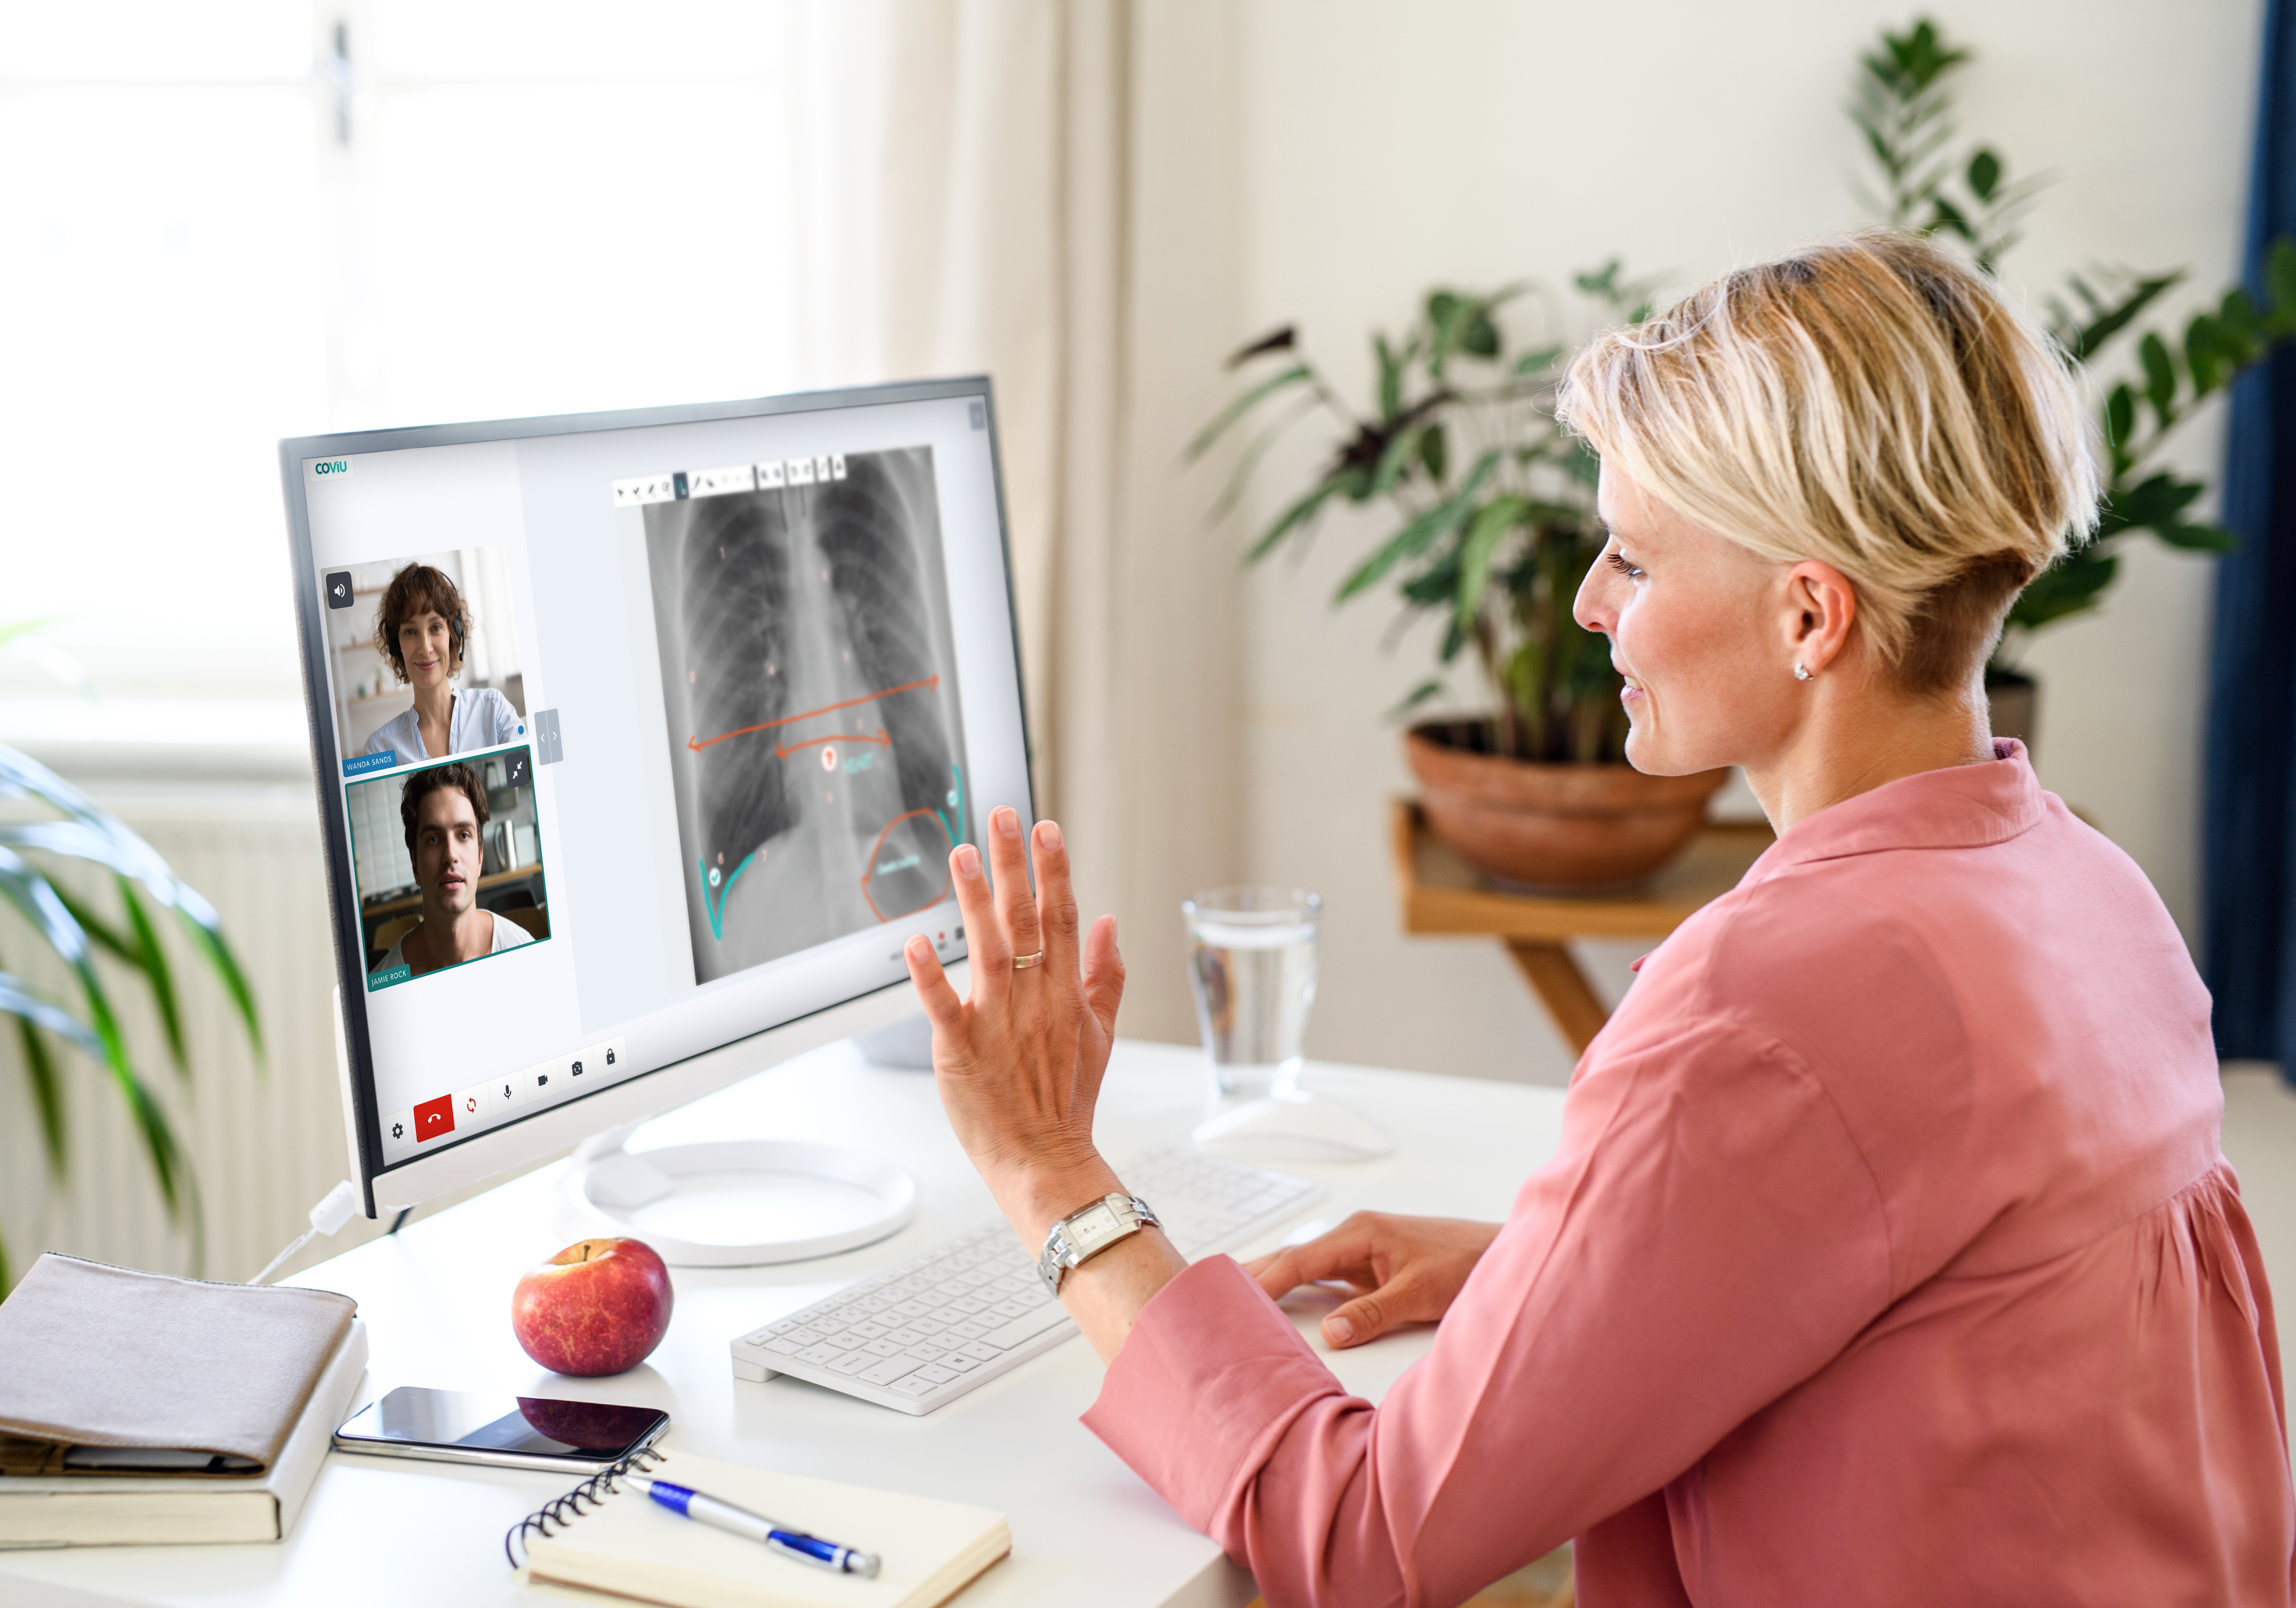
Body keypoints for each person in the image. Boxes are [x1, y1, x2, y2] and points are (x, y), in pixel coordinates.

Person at [900, 231, 2296, 1605]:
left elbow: (1362, 1538)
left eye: (1630, 558)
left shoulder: (1773, 996)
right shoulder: (2087, 891)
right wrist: (1553, 1280)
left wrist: (1050, 1173)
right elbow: (1953, 1313)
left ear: (1808, 620)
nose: (1586, 605)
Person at [372, 763, 533, 980]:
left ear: (479, 857)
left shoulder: (524, 954)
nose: (450, 855)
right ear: (415, 864)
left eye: (464, 835)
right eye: (434, 839)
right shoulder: (385, 984)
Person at [360, 561, 522, 762]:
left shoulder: (494, 711)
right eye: (410, 632)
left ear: (454, 633)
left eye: (435, 628)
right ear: (396, 645)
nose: (426, 648)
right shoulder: (379, 750)